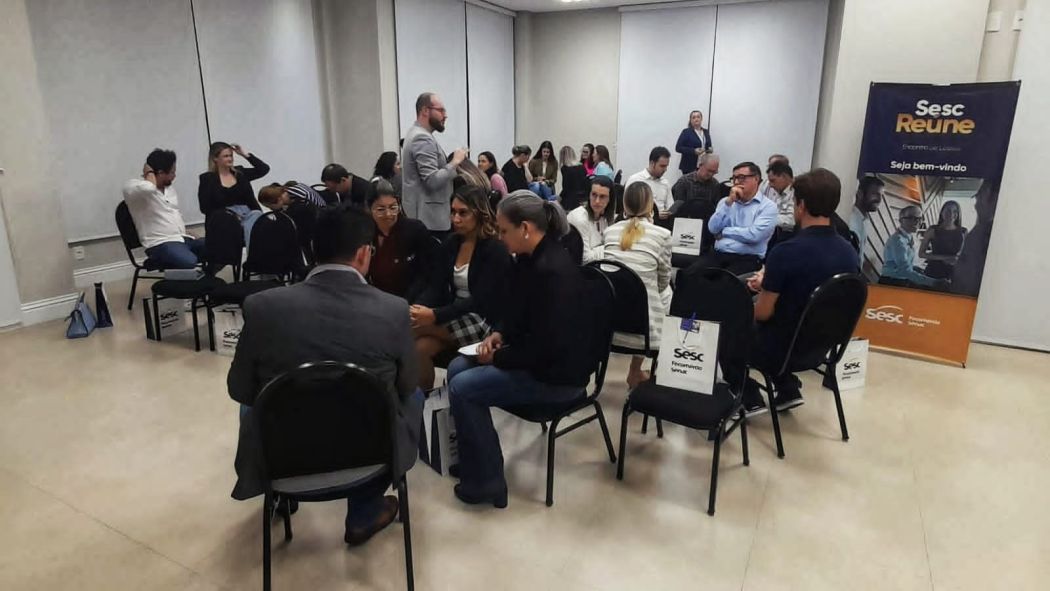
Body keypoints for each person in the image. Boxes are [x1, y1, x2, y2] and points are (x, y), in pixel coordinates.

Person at [227, 205, 424, 546]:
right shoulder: (393, 309)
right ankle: (364, 510)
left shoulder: (261, 307)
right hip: (369, 454)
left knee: (255, 403)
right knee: (412, 394)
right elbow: (407, 385)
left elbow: (240, 389)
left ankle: (279, 493)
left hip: (286, 455)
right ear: (364, 253)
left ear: (313, 250)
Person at [446, 192, 592, 508]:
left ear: (525, 228)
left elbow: (546, 350)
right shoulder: (528, 259)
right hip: (537, 361)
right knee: (457, 368)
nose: (499, 237)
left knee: (462, 387)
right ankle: (477, 462)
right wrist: (499, 333)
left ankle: (487, 481)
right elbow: (515, 311)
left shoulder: (553, 272)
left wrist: (498, 357)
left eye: (503, 230)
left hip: (557, 378)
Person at [742, 168, 860, 414]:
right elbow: (809, 289)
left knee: (726, 321)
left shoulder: (785, 252)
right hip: (821, 346)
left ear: (801, 205)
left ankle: (747, 394)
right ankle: (787, 389)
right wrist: (772, 283)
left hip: (783, 348)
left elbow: (762, 313)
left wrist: (739, 304)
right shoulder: (849, 252)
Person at [411, 186, 512, 391]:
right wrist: (417, 308)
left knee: (410, 327)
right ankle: (426, 403)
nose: (455, 219)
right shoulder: (451, 243)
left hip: (484, 320)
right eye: (453, 212)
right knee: (418, 349)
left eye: (463, 213)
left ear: (479, 213)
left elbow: (481, 299)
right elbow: (436, 286)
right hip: (455, 313)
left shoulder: (495, 248)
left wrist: (434, 315)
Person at [602, 182, 672, 388]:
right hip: (646, 333)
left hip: (608, 326)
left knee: (632, 289)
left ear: (624, 205)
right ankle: (636, 371)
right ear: (651, 206)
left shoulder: (610, 232)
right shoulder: (662, 235)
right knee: (664, 293)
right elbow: (663, 281)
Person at [123, 149, 204, 269]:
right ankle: (156, 261)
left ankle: (208, 276)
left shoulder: (169, 189)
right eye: (172, 172)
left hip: (182, 238)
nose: (174, 176)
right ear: (160, 173)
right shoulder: (133, 187)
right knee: (189, 261)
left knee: (223, 249)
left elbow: (171, 214)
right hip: (159, 243)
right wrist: (149, 172)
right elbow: (149, 188)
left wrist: (183, 230)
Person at [402, 92, 468, 235]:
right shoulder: (422, 138)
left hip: (424, 219)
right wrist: (455, 162)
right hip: (429, 221)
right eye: (441, 110)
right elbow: (432, 181)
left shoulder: (416, 134)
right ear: (425, 111)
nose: (445, 116)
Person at [701, 162, 778, 274]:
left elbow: (753, 235)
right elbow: (713, 228)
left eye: (742, 178)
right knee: (690, 274)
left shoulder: (768, 206)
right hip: (719, 255)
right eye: (734, 178)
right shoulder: (726, 202)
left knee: (724, 281)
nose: (736, 182)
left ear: (756, 179)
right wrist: (728, 203)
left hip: (748, 258)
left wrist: (724, 232)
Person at [367, 181, 437, 303]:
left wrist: (407, 304)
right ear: (369, 209)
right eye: (381, 209)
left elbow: (428, 273)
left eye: (393, 207)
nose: (388, 214)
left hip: (413, 300)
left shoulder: (415, 230)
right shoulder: (365, 233)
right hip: (377, 300)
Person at [952, 179, 999, 297]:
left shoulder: (987, 234)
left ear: (988, 195)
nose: (975, 205)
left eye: (978, 196)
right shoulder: (980, 229)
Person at [197, 141, 270, 216]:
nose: (230, 159)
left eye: (231, 156)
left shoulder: (240, 173)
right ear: (215, 158)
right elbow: (204, 207)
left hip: (249, 215)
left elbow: (263, 169)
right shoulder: (207, 179)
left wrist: (244, 154)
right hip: (224, 218)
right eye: (226, 156)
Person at [881, 205, 937, 287]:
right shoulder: (898, 240)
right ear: (901, 220)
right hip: (891, 282)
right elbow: (905, 271)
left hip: (902, 280)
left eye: (919, 218)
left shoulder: (909, 236)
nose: (917, 222)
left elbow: (905, 265)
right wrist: (934, 282)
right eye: (911, 218)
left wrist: (915, 268)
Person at [567, 176, 615, 264]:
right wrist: (610, 248)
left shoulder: (604, 217)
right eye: (594, 195)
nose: (597, 201)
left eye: (602, 197)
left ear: (609, 199)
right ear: (589, 195)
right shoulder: (580, 219)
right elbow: (585, 259)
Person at [918, 200, 967, 280]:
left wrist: (958, 259)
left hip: (954, 273)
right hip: (934, 272)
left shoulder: (963, 232)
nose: (951, 214)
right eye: (948, 210)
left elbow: (966, 254)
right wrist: (945, 258)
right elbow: (921, 254)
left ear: (958, 214)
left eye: (955, 211)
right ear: (942, 213)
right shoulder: (932, 230)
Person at [625, 146, 673, 218]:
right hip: (639, 220)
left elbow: (670, 206)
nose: (665, 169)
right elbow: (627, 208)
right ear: (652, 163)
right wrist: (655, 215)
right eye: (662, 166)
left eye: (666, 166)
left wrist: (668, 213)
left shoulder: (665, 183)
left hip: (662, 222)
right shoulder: (635, 180)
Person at [849, 176, 885, 260]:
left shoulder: (863, 220)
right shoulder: (851, 221)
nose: (879, 199)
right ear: (860, 194)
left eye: (881, 195)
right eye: (875, 194)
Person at [674, 110, 714, 175]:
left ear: (701, 119)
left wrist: (710, 149)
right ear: (691, 120)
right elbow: (678, 148)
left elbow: (708, 145)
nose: (696, 119)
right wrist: (693, 151)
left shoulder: (706, 132)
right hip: (689, 166)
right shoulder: (686, 132)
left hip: (703, 165)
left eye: (698, 117)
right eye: (694, 117)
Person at [558, 145, 590, 211]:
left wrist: (559, 197)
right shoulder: (581, 166)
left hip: (570, 200)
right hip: (583, 198)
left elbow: (566, 187)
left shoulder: (565, 168)